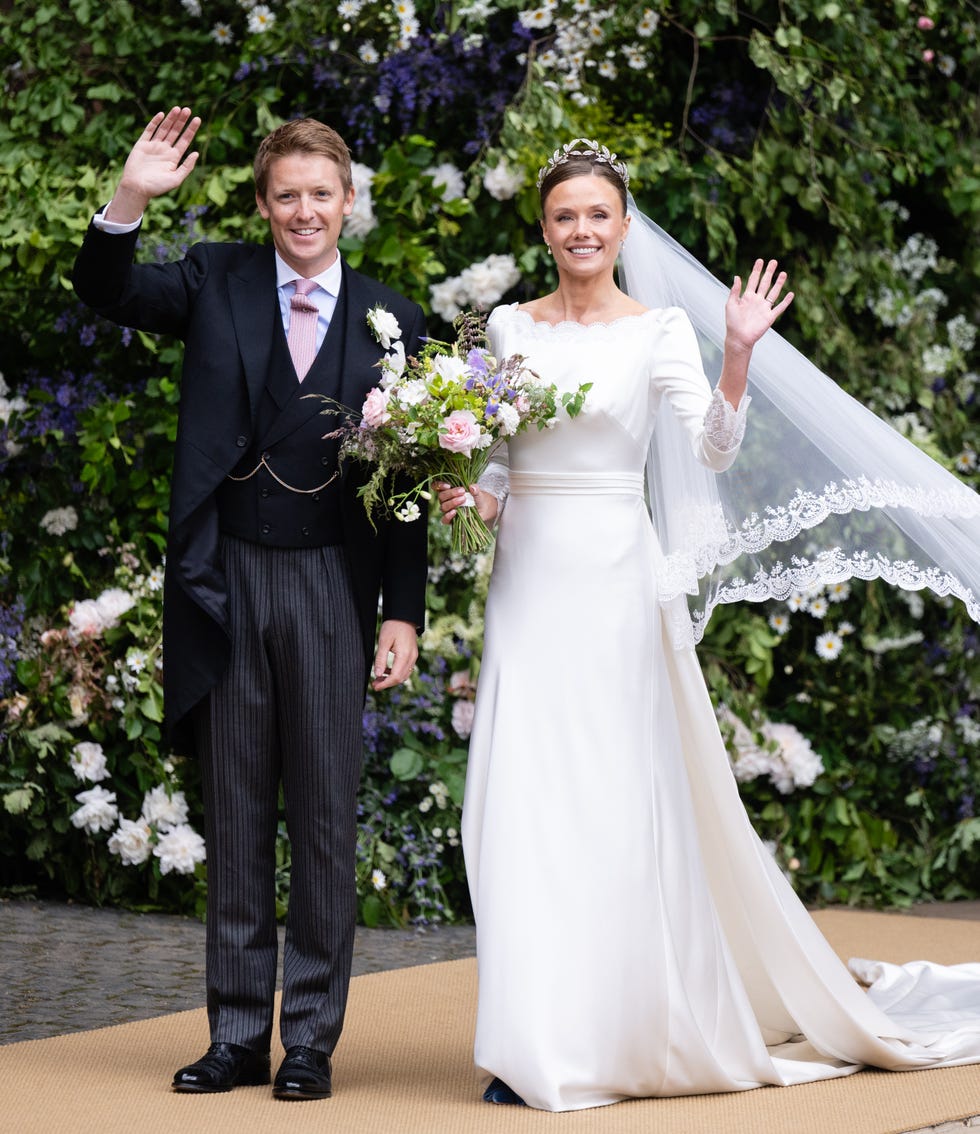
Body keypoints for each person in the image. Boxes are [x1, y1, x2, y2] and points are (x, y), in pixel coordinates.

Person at [437, 140, 980, 1112]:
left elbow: (712, 452)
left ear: (620, 226)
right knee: (510, 808)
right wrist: (452, 494)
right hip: (524, 590)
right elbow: (491, 472)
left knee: (605, 811)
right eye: (564, 215)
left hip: (612, 584)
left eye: (597, 215)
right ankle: (531, 1036)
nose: (580, 231)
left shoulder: (653, 334)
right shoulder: (507, 330)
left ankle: (609, 1035)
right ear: (542, 227)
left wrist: (733, 356)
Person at [73, 107, 428, 1101]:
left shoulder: (393, 320)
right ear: (263, 205)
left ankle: (308, 1039)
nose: (303, 211)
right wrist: (131, 196)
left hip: (329, 581)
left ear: (347, 203)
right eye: (286, 196)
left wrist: (401, 608)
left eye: (321, 194)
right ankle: (235, 1037)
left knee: (321, 814)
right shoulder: (216, 279)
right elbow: (105, 288)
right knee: (233, 813)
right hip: (225, 577)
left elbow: (407, 482)